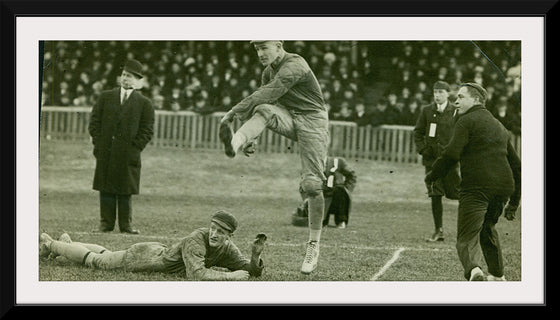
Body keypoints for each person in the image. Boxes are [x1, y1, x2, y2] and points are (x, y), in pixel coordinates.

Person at [218, 40, 329, 275]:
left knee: (311, 185)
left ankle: (313, 244)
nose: (260, 53)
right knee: (264, 110)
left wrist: (233, 112)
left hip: (313, 121)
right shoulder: (267, 72)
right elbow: (266, 104)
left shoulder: (295, 64)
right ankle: (235, 143)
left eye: (264, 47)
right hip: (289, 116)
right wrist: (251, 140)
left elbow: (271, 91)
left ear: (279, 46)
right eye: (257, 49)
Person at [425, 83, 521, 281]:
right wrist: (513, 202)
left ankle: (474, 271)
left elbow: (451, 154)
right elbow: (517, 166)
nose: (456, 101)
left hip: (477, 187)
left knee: (466, 237)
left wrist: (432, 176)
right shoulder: (498, 125)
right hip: (503, 188)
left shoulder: (465, 120)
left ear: (476, 99)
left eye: (460, 97)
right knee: (487, 228)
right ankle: (497, 275)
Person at [39, 210, 267, 281]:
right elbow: (196, 274)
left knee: (106, 253)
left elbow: (250, 270)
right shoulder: (197, 238)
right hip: (142, 257)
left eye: (222, 232)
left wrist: (254, 257)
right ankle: (52, 244)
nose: (215, 234)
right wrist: (230, 277)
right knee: (97, 261)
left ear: (230, 236)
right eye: (214, 229)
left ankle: (67, 244)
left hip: (154, 251)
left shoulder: (227, 248)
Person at [88, 59, 155, 234]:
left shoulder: (144, 103)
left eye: (130, 76)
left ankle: (126, 225)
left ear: (137, 80)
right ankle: (106, 223)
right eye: (124, 75)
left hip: (128, 153)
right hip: (106, 151)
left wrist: (135, 148)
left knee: (125, 190)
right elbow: (94, 122)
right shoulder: (106, 97)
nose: (125, 79)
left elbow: (147, 130)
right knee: (106, 188)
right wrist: (99, 143)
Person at [413, 81, 461, 242]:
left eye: (441, 92)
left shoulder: (455, 112)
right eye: (435, 92)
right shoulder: (427, 111)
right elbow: (418, 132)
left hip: (450, 162)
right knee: (435, 193)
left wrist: (455, 153)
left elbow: (462, 133)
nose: (437, 95)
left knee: (457, 193)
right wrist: (423, 149)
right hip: (431, 162)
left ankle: (467, 229)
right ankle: (438, 230)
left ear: (448, 94)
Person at [292, 156, 357, 229]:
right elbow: (303, 184)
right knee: (318, 223)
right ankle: (322, 220)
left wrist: (347, 189)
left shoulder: (338, 162)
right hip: (320, 198)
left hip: (336, 198)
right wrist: (306, 199)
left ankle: (341, 221)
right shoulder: (311, 165)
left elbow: (352, 176)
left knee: (340, 190)